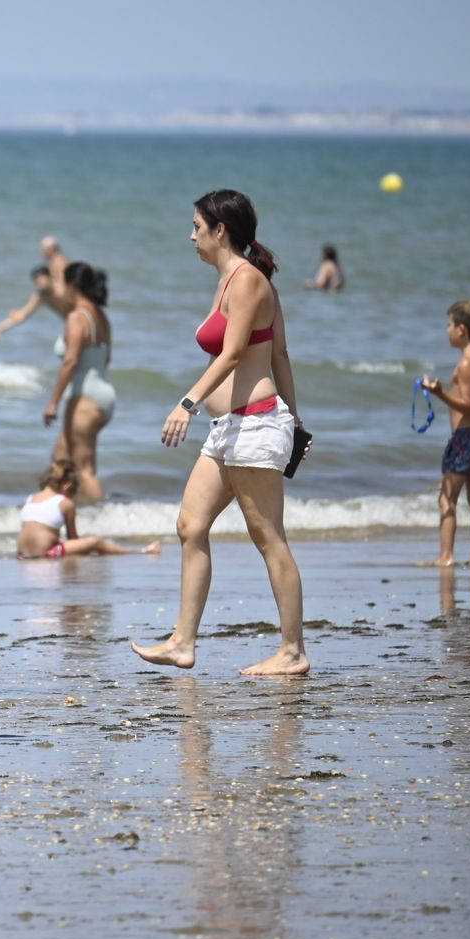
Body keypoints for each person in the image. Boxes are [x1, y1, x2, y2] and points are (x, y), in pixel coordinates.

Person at [132, 189, 310, 677]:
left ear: (220, 230)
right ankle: (182, 642)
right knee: (190, 525)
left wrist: (187, 402)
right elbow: (277, 356)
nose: (190, 236)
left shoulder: (249, 282)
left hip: (254, 424)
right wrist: (295, 421)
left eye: (196, 226)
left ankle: (292, 651)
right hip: (228, 428)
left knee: (269, 536)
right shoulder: (228, 280)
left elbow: (238, 356)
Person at [420, 299, 470, 568]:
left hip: (465, 439)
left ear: (462, 330)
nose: (447, 330)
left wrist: (439, 392)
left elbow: (465, 402)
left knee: (446, 498)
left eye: (449, 325)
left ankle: (446, 556)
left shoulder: (466, 363)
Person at [43, 261, 115, 504]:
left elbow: (70, 361)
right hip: (102, 394)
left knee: (85, 470)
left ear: (72, 286)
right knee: (61, 458)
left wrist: (52, 403)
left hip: (85, 397)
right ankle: (58, 514)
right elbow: (107, 359)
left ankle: (103, 519)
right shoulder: (101, 316)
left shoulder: (77, 318)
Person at [17, 459, 162, 559]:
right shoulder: (64, 503)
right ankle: (140, 551)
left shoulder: (30, 499)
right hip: (47, 553)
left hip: (22, 555)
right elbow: (72, 539)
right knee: (95, 542)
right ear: (67, 487)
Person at [0, 236, 71, 339]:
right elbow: (22, 315)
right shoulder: (42, 294)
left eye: (43, 249)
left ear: (52, 249)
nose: (41, 252)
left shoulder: (59, 262)